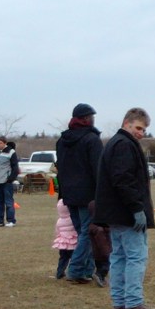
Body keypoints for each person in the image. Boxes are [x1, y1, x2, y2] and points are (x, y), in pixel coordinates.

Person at [93, 107, 155, 309]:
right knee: (135, 257)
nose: (141, 133)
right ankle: (133, 304)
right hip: (127, 214)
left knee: (119, 257)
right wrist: (137, 209)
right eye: (139, 127)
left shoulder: (115, 143)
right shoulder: (124, 145)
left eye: (144, 130)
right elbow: (124, 180)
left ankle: (119, 303)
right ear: (127, 122)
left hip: (116, 214)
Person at [55, 103, 103, 284]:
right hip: (87, 194)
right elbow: (98, 168)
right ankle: (75, 270)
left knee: (82, 232)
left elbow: (61, 167)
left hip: (69, 193)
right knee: (87, 233)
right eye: (91, 116)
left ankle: (86, 269)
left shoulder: (62, 141)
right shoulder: (91, 140)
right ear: (85, 119)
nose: (93, 119)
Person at [0, 136, 19, 227]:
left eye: (0, 143)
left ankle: (11, 221)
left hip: (6, 181)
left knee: (9, 202)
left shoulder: (11, 152)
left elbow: (15, 167)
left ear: (5, 143)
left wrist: (10, 178)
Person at [52, 198, 77, 279]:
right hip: (72, 242)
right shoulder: (73, 219)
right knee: (74, 258)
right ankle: (72, 272)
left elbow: (57, 231)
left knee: (63, 258)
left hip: (63, 244)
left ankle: (60, 272)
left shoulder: (59, 221)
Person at [87, 200, 110, 286]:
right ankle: (100, 276)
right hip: (104, 253)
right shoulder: (100, 230)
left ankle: (101, 277)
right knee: (105, 266)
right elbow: (102, 244)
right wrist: (108, 253)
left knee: (99, 265)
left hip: (97, 254)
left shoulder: (92, 227)